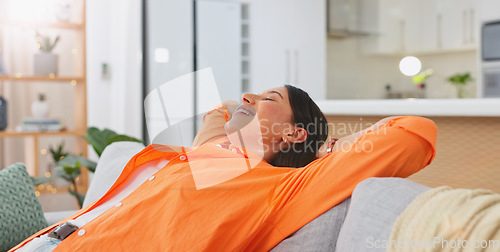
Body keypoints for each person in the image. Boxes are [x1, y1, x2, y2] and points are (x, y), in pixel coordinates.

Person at [12, 85, 437, 251]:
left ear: (293, 135)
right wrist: (244, 118)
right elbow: (218, 113)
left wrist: (332, 151)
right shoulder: (211, 155)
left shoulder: (285, 186)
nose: (248, 95)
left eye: (270, 98)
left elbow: (413, 132)